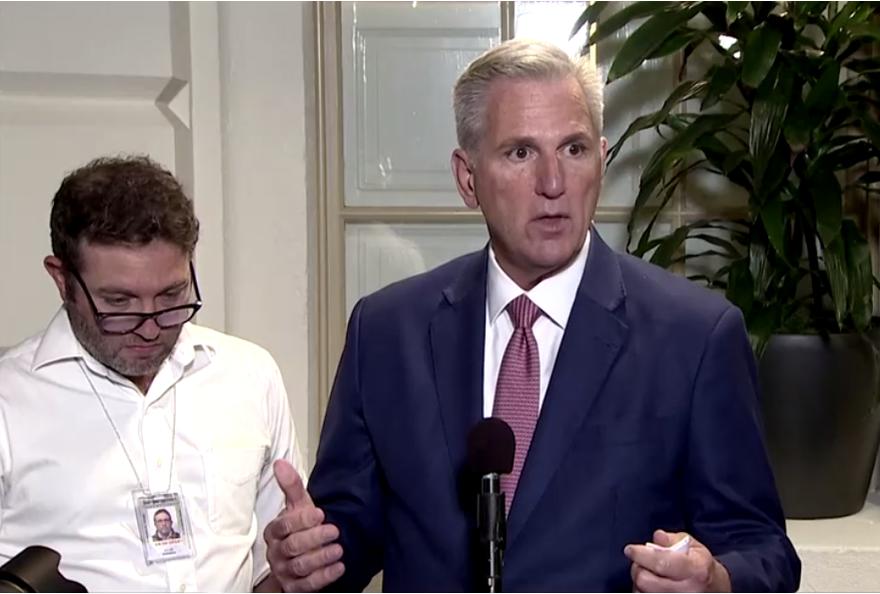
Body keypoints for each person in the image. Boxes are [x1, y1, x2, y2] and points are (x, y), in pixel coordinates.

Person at [265, 39, 800, 592]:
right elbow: (345, 540)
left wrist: (718, 581)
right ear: (467, 178)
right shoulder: (385, 331)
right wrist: (307, 559)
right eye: (520, 153)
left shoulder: (695, 337)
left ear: (601, 159)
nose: (553, 183)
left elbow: (764, 550)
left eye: (573, 149)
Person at [0, 156, 304, 592]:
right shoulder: (9, 401)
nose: (149, 326)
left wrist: (292, 577)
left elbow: (270, 577)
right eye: (118, 303)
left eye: (171, 295)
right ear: (62, 280)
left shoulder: (251, 376)